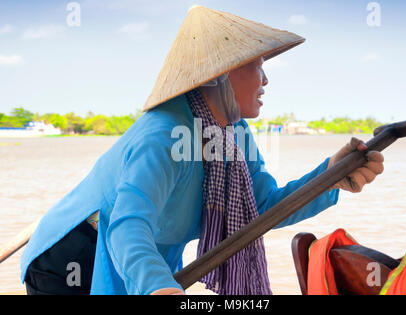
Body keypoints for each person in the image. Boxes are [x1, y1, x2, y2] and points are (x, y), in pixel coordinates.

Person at [21, 5, 384, 295]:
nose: (266, 80)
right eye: (257, 66)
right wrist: (160, 287)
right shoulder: (164, 134)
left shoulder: (233, 131)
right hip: (75, 255)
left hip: (144, 257)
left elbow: (262, 210)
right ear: (221, 74)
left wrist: (330, 177)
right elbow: (128, 225)